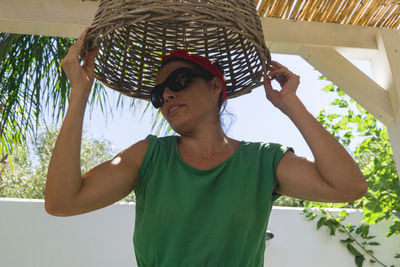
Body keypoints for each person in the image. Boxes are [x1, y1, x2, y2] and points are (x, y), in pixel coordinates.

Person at [45, 28, 368, 266]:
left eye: (179, 81)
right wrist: (80, 95)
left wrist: (290, 104)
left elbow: (348, 187)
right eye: (159, 95)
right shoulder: (150, 155)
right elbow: (62, 202)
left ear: (216, 86)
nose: (167, 96)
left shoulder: (263, 161)